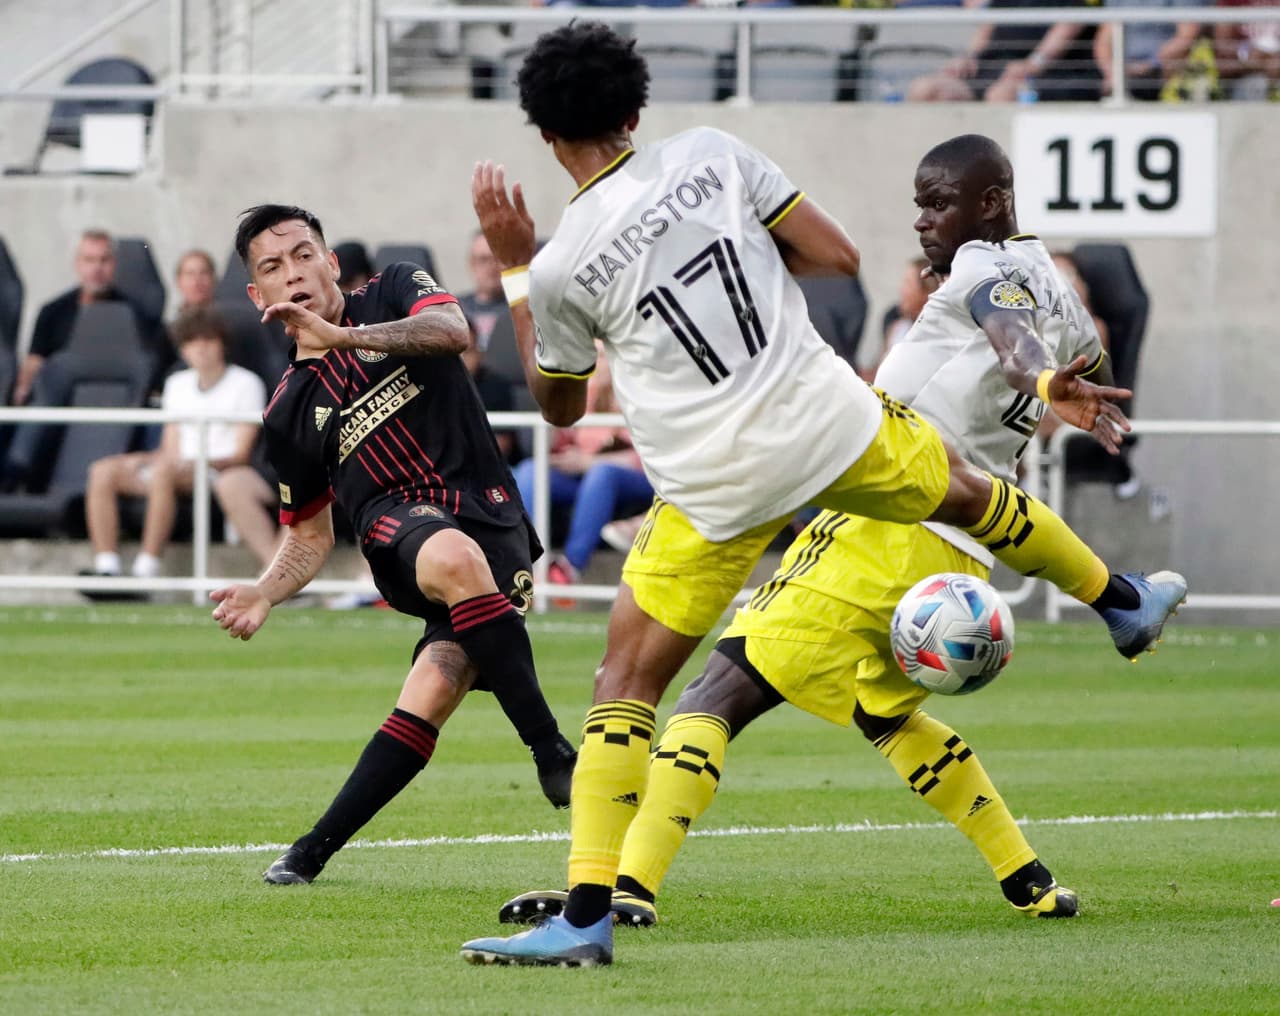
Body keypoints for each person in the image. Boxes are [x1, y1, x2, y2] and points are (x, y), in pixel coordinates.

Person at [461, 23, 1177, 967]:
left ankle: (597, 907)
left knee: (633, 682)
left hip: (709, 481)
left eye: (938, 204)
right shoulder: (712, 155)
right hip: (828, 425)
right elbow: (836, 256)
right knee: (963, 495)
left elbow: (557, 405)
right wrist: (1053, 385)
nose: (925, 221)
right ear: (638, 109)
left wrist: (517, 265)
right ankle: (1120, 604)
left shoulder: (558, 266)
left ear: (547, 138)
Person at [208, 204, 577, 885]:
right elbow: (310, 536)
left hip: (494, 526)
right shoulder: (288, 409)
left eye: (302, 253)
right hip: (398, 531)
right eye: (272, 267)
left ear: (331, 263)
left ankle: (311, 850)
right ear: (258, 298)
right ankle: (551, 749)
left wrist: (343, 338)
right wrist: (265, 589)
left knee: (430, 692)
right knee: (448, 555)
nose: (293, 273)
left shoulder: (396, 289)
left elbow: (452, 330)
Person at [81, 307, 277, 592]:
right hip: (175, 468)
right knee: (103, 471)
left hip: (216, 472)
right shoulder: (176, 384)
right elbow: (169, 447)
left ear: (222, 344)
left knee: (163, 473)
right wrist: (139, 459)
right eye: (193, 342)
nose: (201, 349)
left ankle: (145, 571)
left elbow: (241, 454)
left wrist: (196, 463)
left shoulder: (246, 384)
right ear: (183, 350)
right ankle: (107, 567)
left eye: (208, 340)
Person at [511, 349, 651, 590]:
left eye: (603, 356)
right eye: (593, 355)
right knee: (529, 470)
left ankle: (570, 567)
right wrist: (553, 409)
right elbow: (558, 443)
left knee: (602, 474)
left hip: (636, 478)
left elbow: (647, 457)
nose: (596, 364)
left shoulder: (641, 394)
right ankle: (528, 564)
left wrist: (588, 462)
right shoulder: (585, 393)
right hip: (581, 475)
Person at [11, 229, 163, 405]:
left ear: (115, 264)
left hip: (117, 404)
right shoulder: (52, 312)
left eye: (104, 260)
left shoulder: (136, 315)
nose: (97, 268)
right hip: (61, 403)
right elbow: (35, 360)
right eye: (89, 260)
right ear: (77, 264)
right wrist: (23, 387)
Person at [907, 0, 1102, 103]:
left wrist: (1033, 64)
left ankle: (992, 168)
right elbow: (986, 30)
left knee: (1000, 95)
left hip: (1048, 74)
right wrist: (967, 58)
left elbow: (1070, 25)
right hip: (990, 70)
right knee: (923, 89)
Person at [1094, 0, 1203, 100]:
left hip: (1162, 70)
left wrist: (1149, 65)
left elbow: (1186, 36)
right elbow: (1103, 41)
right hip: (1124, 72)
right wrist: (1113, 73)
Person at [457, 231, 508, 354]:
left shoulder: (523, 310)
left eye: (498, 258)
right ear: (471, 264)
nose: (492, 266)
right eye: (484, 259)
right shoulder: (453, 308)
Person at [173, 249, 217, 313]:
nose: (197, 281)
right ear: (178, 281)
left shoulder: (230, 320)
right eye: (190, 274)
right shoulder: (170, 321)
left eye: (203, 273)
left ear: (213, 279)